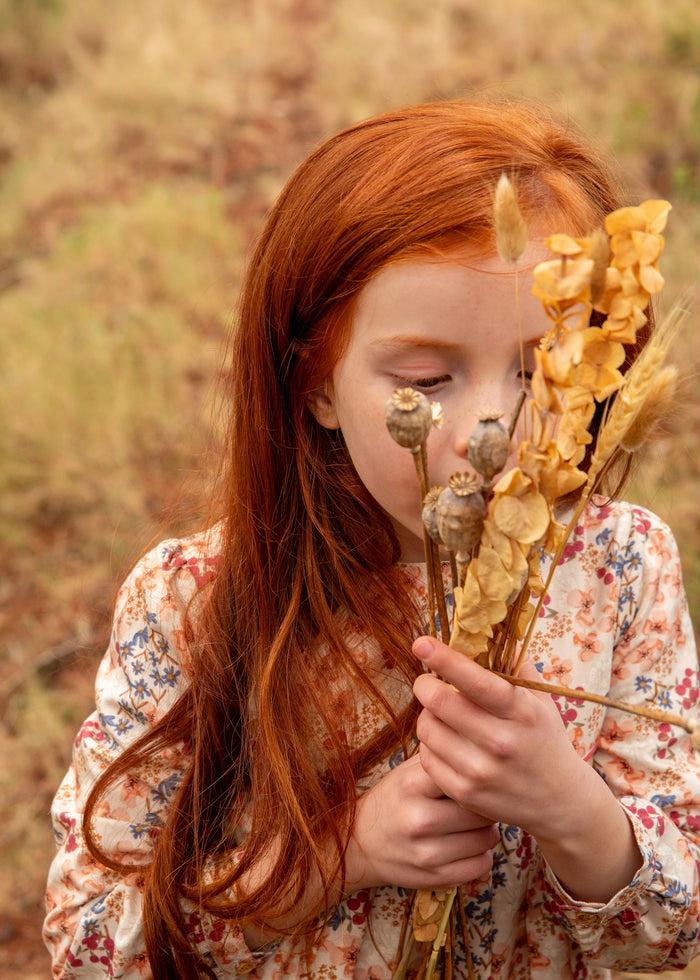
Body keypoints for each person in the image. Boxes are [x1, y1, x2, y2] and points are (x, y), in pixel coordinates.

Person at [43, 98, 700, 979]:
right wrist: (335, 856)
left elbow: (673, 931)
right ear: (314, 384)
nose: (491, 425)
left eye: (545, 369)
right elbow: (90, 942)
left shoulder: (620, 571)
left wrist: (573, 811)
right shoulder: (196, 599)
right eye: (427, 378)